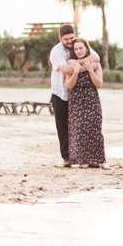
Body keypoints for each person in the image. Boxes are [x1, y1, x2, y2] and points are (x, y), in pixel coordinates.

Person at [49, 24, 100, 167]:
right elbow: (65, 69)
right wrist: (86, 67)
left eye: (72, 37)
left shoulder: (78, 44)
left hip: (77, 94)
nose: (70, 41)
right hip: (60, 92)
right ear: (60, 38)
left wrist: (75, 63)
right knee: (62, 126)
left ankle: (80, 157)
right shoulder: (56, 51)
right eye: (66, 39)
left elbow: (96, 57)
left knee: (78, 126)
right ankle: (66, 158)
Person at [65, 38, 108, 169]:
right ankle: (82, 160)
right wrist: (76, 71)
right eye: (76, 49)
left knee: (94, 129)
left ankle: (100, 160)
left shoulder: (95, 64)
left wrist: (90, 70)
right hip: (76, 100)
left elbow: (99, 84)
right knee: (79, 129)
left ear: (86, 49)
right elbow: (70, 85)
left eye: (81, 48)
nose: (78, 51)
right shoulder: (71, 65)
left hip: (92, 99)